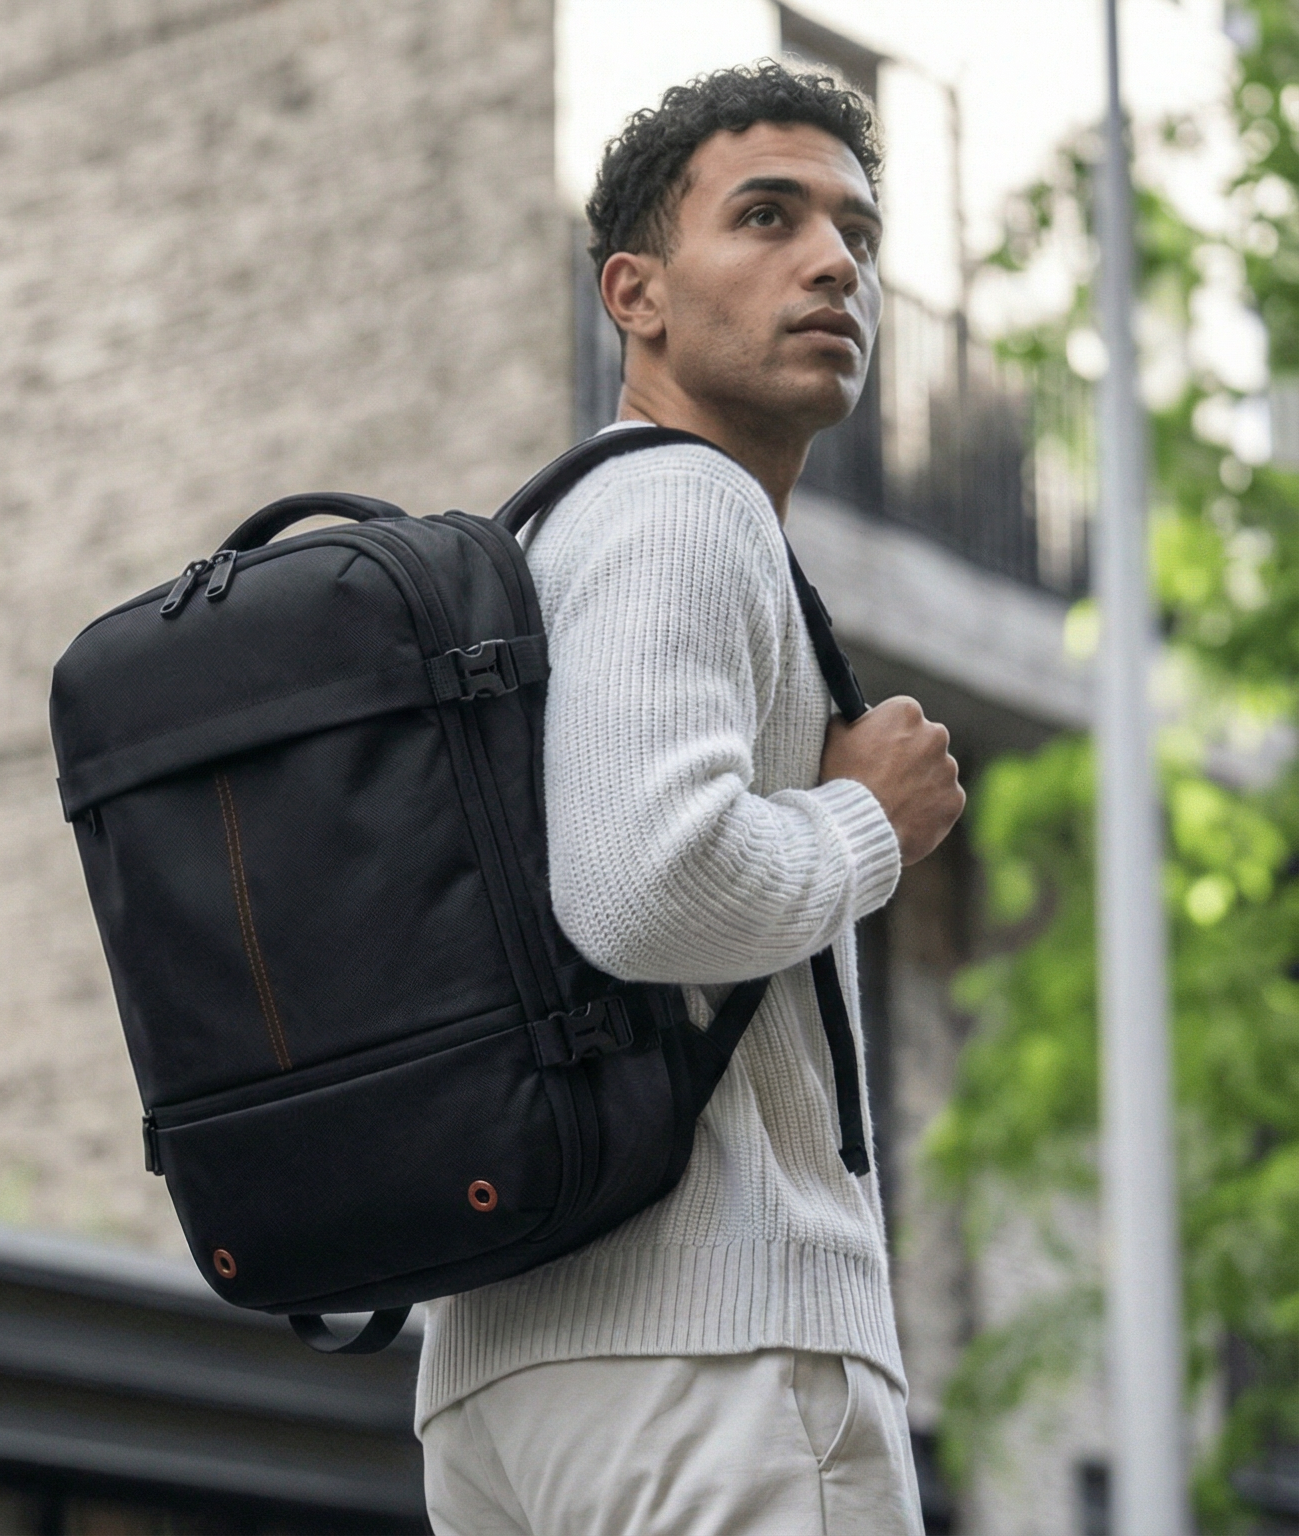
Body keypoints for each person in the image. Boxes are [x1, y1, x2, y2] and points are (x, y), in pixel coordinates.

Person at [415, 63, 967, 1534]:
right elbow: (647, 883)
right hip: (718, 1358)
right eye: (769, 217)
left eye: (854, 227)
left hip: (509, 1368)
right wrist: (873, 825)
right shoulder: (684, 503)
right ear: (636, 294)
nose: (834, 260)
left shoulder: (551, 541)